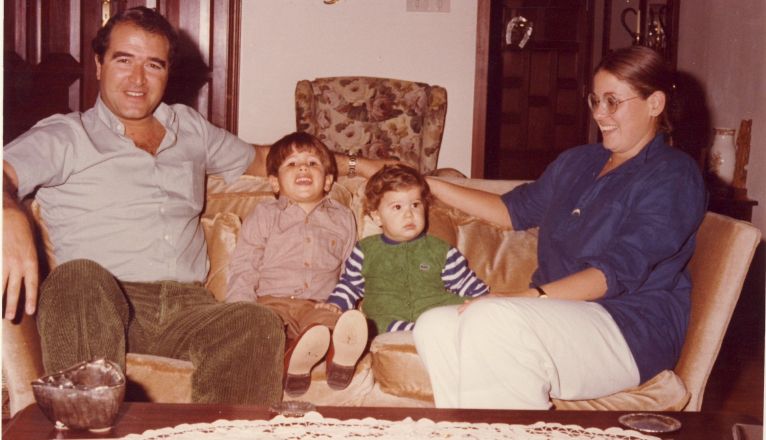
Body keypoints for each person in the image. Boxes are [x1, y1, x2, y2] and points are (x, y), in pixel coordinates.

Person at [2, 6, 382, 405]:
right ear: (98, 65)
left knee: (255, 321)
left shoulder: (190, 128)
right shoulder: (65, 134)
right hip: (100, 300)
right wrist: (9, 212)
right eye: (123, 60)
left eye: (153, 65)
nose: (137, 79)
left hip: (189, 307)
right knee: (76, 277)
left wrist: (357, 163)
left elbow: (265, 157)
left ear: (168, 72)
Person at [413, 46, 707, 409]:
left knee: (490, 319)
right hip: (562, 316)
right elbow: (510, 210)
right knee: (435, 325)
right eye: (595, 100)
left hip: (629, 328)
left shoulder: (673, 174)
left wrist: (528, 297)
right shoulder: (578, 161)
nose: (600, 114)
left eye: (613, 102)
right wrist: (426, 184)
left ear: (655, 103)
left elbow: (615, 272)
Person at [226, 131, 367, 396]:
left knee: (331, 323)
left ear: (327, 181)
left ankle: (338, 361)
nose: (303, 167)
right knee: (266, 332)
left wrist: (342, 304)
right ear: (274, 183)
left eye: (312, 163)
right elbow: (245, 265)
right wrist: (240, 311)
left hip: (319, 305)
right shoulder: (265, 215)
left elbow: (353, 270)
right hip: (271, 304)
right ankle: (294, 361)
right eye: (291, 164)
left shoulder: (342, 218)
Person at [326, 164, 489, 335]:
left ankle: (439, 329)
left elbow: (465, 284)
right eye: (397, 207)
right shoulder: (365, 250)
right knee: (371, 325)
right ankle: (418, 331)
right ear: (377, 216)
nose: (409, 214)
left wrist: (484, 302)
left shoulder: (441, 250)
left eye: (415, 205)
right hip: (386, 317)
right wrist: (335, 305)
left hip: (434, 312)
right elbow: (350, 286)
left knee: (464, 313)